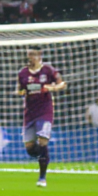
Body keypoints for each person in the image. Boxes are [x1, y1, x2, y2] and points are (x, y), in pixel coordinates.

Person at [17, 49, 65, 187]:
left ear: (39, 56)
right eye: (29, 55)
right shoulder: (23, 73)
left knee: (43, 141)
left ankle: (42, 178)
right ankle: (44, 157)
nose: (30, 57)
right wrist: (22, 91)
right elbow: (20, 90)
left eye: (33, 54)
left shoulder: (48, 70)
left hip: (45, 112)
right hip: (30, 113)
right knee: (30, 148)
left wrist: (52, 88)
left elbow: (62, 83)